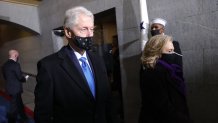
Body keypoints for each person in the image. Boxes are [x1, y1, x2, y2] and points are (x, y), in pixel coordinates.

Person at [34, 6, 117, 123]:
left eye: (92, 29)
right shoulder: (49, 66)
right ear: (68, 32)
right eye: (84, 29)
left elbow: (108, 101)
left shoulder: (98, 60)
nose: (90, 35)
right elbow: (43, 115)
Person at [139, 35, 191, 123]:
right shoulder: (152, 73)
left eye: (173, 50)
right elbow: (163, 106)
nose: (174, 54)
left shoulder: (170, 70)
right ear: (156, 53)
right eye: (170, 51)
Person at [2, 49, 29, 123]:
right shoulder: (16, 64)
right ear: (15, 55)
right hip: (15, 89)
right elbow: (20, 77)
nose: (18, 57)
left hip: (10, 88)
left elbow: (5, 76)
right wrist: (25, 79)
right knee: (13, 107)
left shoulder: (4, 65)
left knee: (19, 104)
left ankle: (24, 118)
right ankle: (11, 121)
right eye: (17, 56)